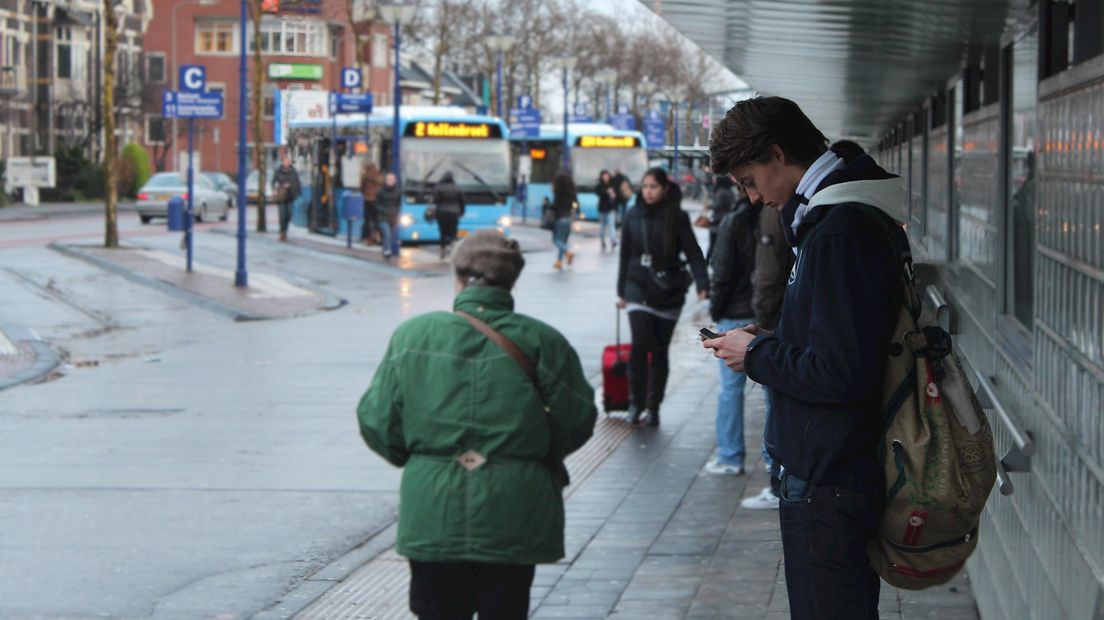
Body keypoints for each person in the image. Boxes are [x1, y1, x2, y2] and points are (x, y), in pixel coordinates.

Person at [702, 96, 904, 619]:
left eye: (749, 179)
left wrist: (758, 353)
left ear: (776, 153)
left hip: (828, 476)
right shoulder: (833, 220)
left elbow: (841, 374)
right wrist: (769, 337)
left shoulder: (839, 230)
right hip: (829, 468)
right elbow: (839, 341)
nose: (751, 198)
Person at [357, 229, 597, 620]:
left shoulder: (412, 335)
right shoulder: (544, 341)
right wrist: (531, 456)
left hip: (434, 511)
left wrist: (421, 461)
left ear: (458, 276)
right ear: (512, 280)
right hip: (514, 511)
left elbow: (377, 421)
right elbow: (580, 417)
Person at [617, 168, 709, 426]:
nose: (648, 191)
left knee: (658, 350)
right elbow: (625, 255)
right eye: (644, 186)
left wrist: (703, 284)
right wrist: (621, 292)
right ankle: (635, 402)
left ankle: (653, 406)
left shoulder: (676, 217)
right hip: (637, 288)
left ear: (665, 189)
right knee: (638, 346)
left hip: (668, 290)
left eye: (653, 186)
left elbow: (693, 253)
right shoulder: (632, 215)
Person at [740, 200, 796, 510]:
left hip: (775, 319)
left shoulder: (774, 211)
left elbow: (768, 271)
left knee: (774, 404)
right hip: (779, 322)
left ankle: (778, 481)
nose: (752, 194)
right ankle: (779, 480)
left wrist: (762, 322)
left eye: (749, 181)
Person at [704, 189, 760, 475]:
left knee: (730, 389)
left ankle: (730, 456)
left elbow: (721, 271)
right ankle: (775, 464)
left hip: (734, 314)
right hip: (766, 314)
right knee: (773, 392)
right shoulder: (776, 216)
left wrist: (715, 310)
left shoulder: (733, 222)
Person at [432, 172, 466, 259]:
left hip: (441, 213)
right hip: (454, 213)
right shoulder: (457, 188)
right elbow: (462, 202)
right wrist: (462, 212)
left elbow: (435, 201)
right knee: (453, 233)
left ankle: (442, 249)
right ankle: (453, 250)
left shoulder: (438, 187)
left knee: (442, 233)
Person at [707, 176, 741, 260]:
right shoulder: (731, 192)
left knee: (713, 244)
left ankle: (708, 261)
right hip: (727, 219)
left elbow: (717, 205)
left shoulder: (720, 192)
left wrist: (710, 206)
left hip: (717, 220)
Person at [550, 170, 577, 270]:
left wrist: (548, 206)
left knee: (556, 240)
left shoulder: (558, 193)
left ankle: (568, 252)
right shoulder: (572, 193)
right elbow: (576, 205)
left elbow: (555, 206)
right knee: (563, 241)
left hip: (559, 218)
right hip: (568, 219)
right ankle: (559, 262)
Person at [273, 156, 301, 242]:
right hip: (281, 196)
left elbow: (297, 182)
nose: (286, 163)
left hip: (290, 195)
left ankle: (285, 230)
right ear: (282, 162)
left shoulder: (293, 172)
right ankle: (282, 232)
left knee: (289, 214)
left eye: (287, 161)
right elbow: (273, 182)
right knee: (282, 215)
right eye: (284, 161)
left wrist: (298, 192)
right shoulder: (278, 171)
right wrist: (277, 188)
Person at [376, 172, 402, 259]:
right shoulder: (381, 191)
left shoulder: (398, 191)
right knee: (387, 234)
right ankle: (388, 251)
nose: (390, 181)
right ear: (385, 180)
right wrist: (381, 210)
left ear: (395, 181)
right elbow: (376, 203)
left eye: (392, 179)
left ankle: (385, 249)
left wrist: (396, 211)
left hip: (393, 217)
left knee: (390, 234)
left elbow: (399, 203)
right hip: (383, 216)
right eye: (388, 179)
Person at [360, 162, 384, 245]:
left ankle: (368, 238)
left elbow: (361, 188)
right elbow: (382, 185)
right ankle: (377, 236)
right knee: (377, 219)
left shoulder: (365, 176)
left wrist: (365, 195)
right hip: (376, 201)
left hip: (367, 200)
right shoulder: (378, 176)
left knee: (367, 220)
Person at [596, 170, 618, 252]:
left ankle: (613, 241)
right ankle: (602, 241)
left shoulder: (612, 184)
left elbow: (616, 195)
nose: (606, 177)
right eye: (604, 175)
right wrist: (606, 192)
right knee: (602, 226)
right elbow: (598, 193)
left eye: (607, 175)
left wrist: (613, 194)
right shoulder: (599, 185)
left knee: (611, 225)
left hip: (611, 208)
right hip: (602, 209)